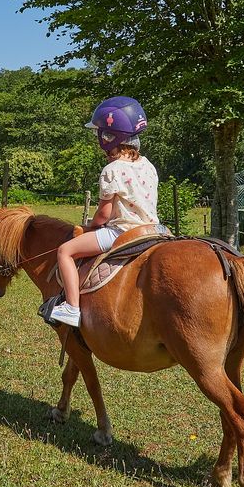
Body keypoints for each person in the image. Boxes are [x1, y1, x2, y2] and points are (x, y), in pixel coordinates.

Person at [47, 96, 162, 328]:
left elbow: (103, 216)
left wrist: (90, 224)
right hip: (151, 230)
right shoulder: (148, 165)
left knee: (65, 252)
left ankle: (71, 308)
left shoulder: (112, 170)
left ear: (109, 137)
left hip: (121, 231)